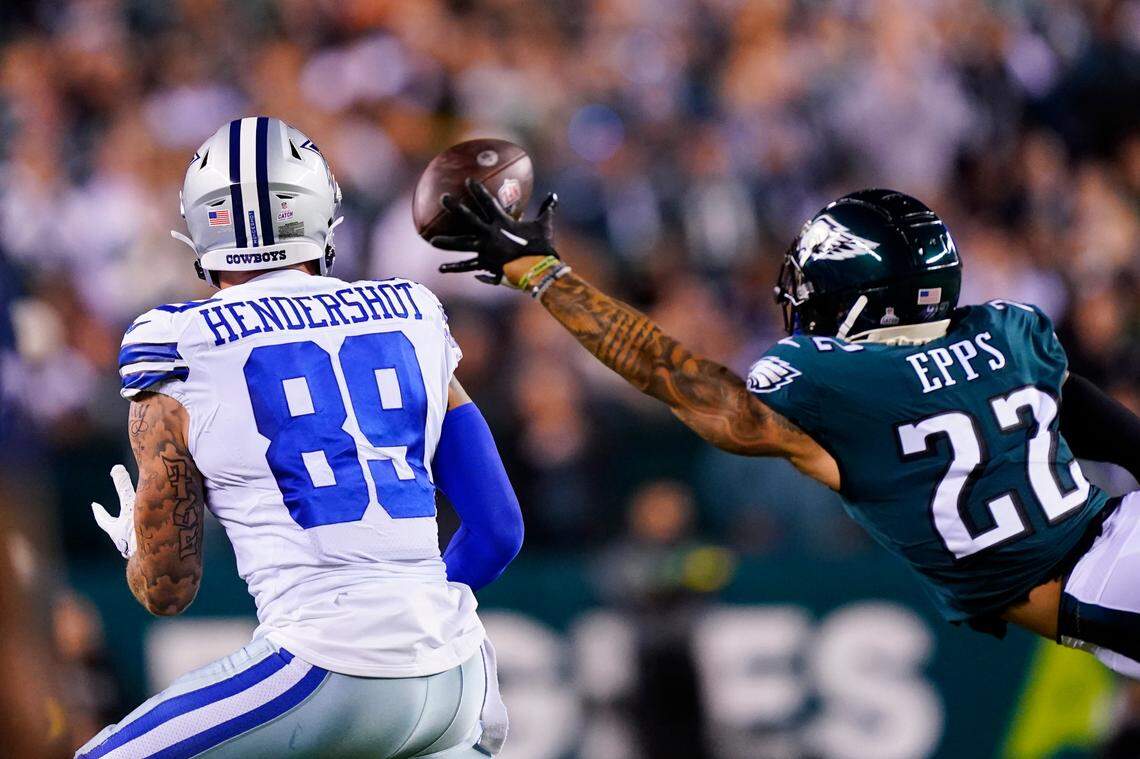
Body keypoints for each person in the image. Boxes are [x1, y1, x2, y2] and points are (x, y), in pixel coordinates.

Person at [431, 180, 1140, 678]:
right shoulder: (1008, 334)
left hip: (1107, 580)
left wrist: (546, 276)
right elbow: (1073, 402)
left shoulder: (839, 388)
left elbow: (672, 374)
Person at [80, 118, 522, 758]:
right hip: (462, 680)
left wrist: (140, 542)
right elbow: (499, 528)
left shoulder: (178, 342)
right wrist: (411, 622)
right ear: (320, 211)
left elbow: (166, 590)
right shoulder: (413, 311)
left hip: (322, 668)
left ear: (202, 228)